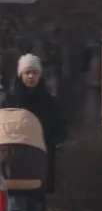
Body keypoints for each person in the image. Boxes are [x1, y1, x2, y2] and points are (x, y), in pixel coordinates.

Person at [4, 54, 66, 193]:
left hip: (42, 157)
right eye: (27, 72)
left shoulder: (49, 102)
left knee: (38, 201)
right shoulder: (10, 100)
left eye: (34, 73)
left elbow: (59, 124)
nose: (31, 77)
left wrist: (57, 141)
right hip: (13, 156)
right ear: (20, 74)